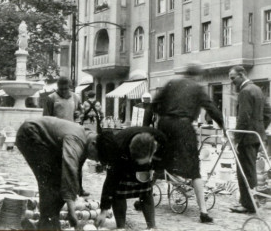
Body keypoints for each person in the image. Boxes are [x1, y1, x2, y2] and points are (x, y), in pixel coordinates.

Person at [145, 64, 225, 223]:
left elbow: (152, 105)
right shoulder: (197, 88)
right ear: (197, 76)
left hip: (164, 125)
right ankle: (203, 212)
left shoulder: (171, 83)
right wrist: (222, 125)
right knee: (194, 169)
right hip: (183, 127)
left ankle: (143, 199)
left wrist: (146, 126)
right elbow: (211, 107)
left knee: (158, 162)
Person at [15, 116, 99, 230]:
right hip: (30, 133)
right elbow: (70, 168)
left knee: (59, 184)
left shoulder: (88, 138)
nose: (96, 160)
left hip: (43, 139)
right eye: (97, 156)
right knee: (51, 181)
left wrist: (77, 190)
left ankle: (47, 221)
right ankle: (46, 223)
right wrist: (71, 210)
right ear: (93, 144)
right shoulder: (76, 140)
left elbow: (77, 169)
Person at [95, 127, 167, 230]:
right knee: (118, 192)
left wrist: (153, 174)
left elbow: (164, 162)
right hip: (124, 162)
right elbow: (111, 181)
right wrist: (104, 210)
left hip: (145, 162)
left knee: (146, 191)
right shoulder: (117, 149)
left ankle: (152, 226)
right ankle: (121, 227)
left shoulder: (160, 139)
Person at [228, 66, 271, 213]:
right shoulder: (257, 89)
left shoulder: (245, 91)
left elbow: (243, 117)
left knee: (244, 171)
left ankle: (248, 204)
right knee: (251, 169)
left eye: (233, 78)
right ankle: (252, 201)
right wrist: (260, 129)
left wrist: (236, 138)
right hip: (255, 136)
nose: (232, 81)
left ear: (241, 75)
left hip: (246, 137)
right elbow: (268, 113)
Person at [43, 77, 89, 196]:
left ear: (70, 87)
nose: (63, 91)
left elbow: (80, 112)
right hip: (56, 134)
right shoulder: (51, 98)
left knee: (76, 162)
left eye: (66, 89)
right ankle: (57, 189)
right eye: (61, 89)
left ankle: (79, 188)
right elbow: (46, 118)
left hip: (72, 133)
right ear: (57, 87)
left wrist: (79, 114)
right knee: (58, 163)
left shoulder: (76, 97)